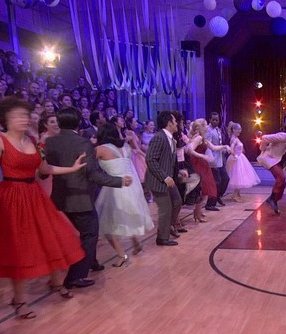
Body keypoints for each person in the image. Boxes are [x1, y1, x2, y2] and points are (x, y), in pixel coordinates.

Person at [0, 98, 88, 318]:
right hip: (11, 197)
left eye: (25, 115)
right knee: (20, 249)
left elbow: (44, 168)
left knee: (51, 238)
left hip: (34, 195)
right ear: (6, 119)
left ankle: (56, 282)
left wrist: (72, 168)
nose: (24, 119)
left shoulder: (33, 140)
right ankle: (19, 300)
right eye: (18, 116)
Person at [43, 107, 130, 287]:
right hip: (80, 198)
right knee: (90, 233)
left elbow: (45, 171)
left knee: (76, 234)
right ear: (78, 122)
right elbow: (93, 173)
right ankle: (75, 276)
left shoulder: (50, 142)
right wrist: (119, 181)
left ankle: (91, 262)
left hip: (59, 197)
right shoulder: (83, 143)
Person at [94, 124, 154, 266]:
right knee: (124, 217)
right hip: (131, 186)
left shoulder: (100, 149)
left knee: (109, 225)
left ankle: (122, 255)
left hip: (114, 188)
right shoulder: (125, 147)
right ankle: (135, 242)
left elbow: (88, 164)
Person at [145, 111, 183, 246]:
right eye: (174, 121)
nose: (177, 123)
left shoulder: (171, 139)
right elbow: (150, 160)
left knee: (177, 201)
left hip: (168, 179)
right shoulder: (159, 138)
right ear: (169, 123)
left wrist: (178, 172)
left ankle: (169, 226)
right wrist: (164, 177)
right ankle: (162, 238)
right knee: (166, 208)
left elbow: (168, 161)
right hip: (158, 180)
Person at [258, 121, 286, 214]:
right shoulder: (283, 136)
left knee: (283, 182)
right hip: (270, 159)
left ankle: (274, 201)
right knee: (281, 177)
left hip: (278, 162)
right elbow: (264, 138)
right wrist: (262, 149)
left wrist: (285, 168)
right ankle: (272, 198)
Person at [225, 121, 260, 202]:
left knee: (240, 176)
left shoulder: (236, 138)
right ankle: (234, 195)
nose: (240, 131)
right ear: (234, 130)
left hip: (240, 157)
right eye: (238, 129)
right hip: (237, 159)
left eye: (240, 129)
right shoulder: (233, 139)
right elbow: (231, 149)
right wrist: (235, 155)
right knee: (237, 176)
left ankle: (237, 194)